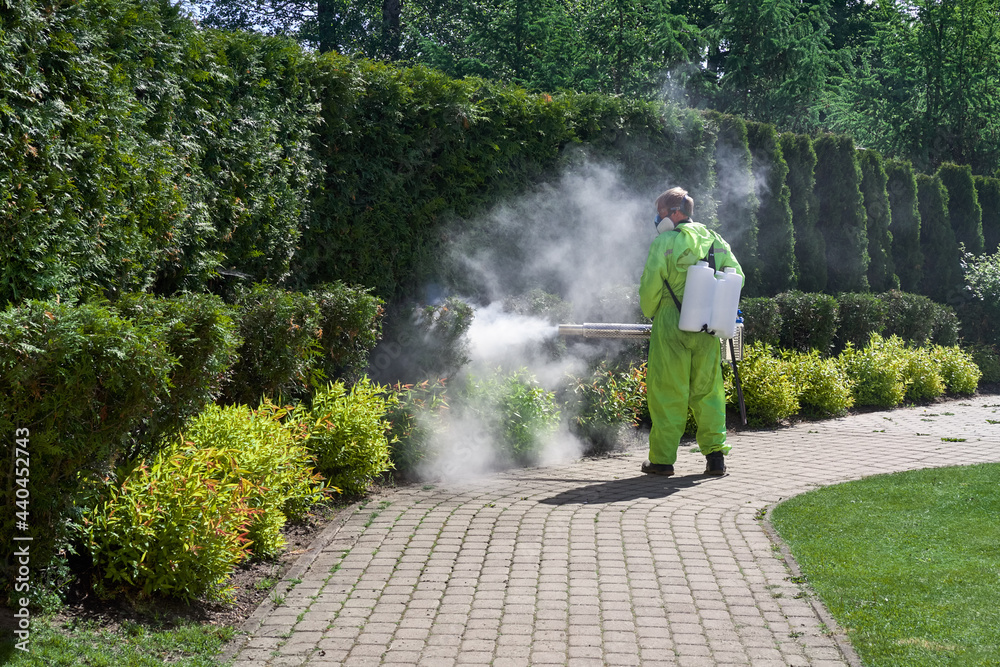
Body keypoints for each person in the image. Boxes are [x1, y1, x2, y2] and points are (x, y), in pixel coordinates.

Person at [638, 187, 744, 476]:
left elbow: (650, 289)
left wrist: (650, 311)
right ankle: (715, 458)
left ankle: (661, 461)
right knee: (708, 392)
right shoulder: (716, 240)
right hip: (708, 326)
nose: (658, 218)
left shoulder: (665, 242)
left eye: (660, 212)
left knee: (668, 391)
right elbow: (738, 276)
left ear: (674, 213)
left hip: (672, 323)